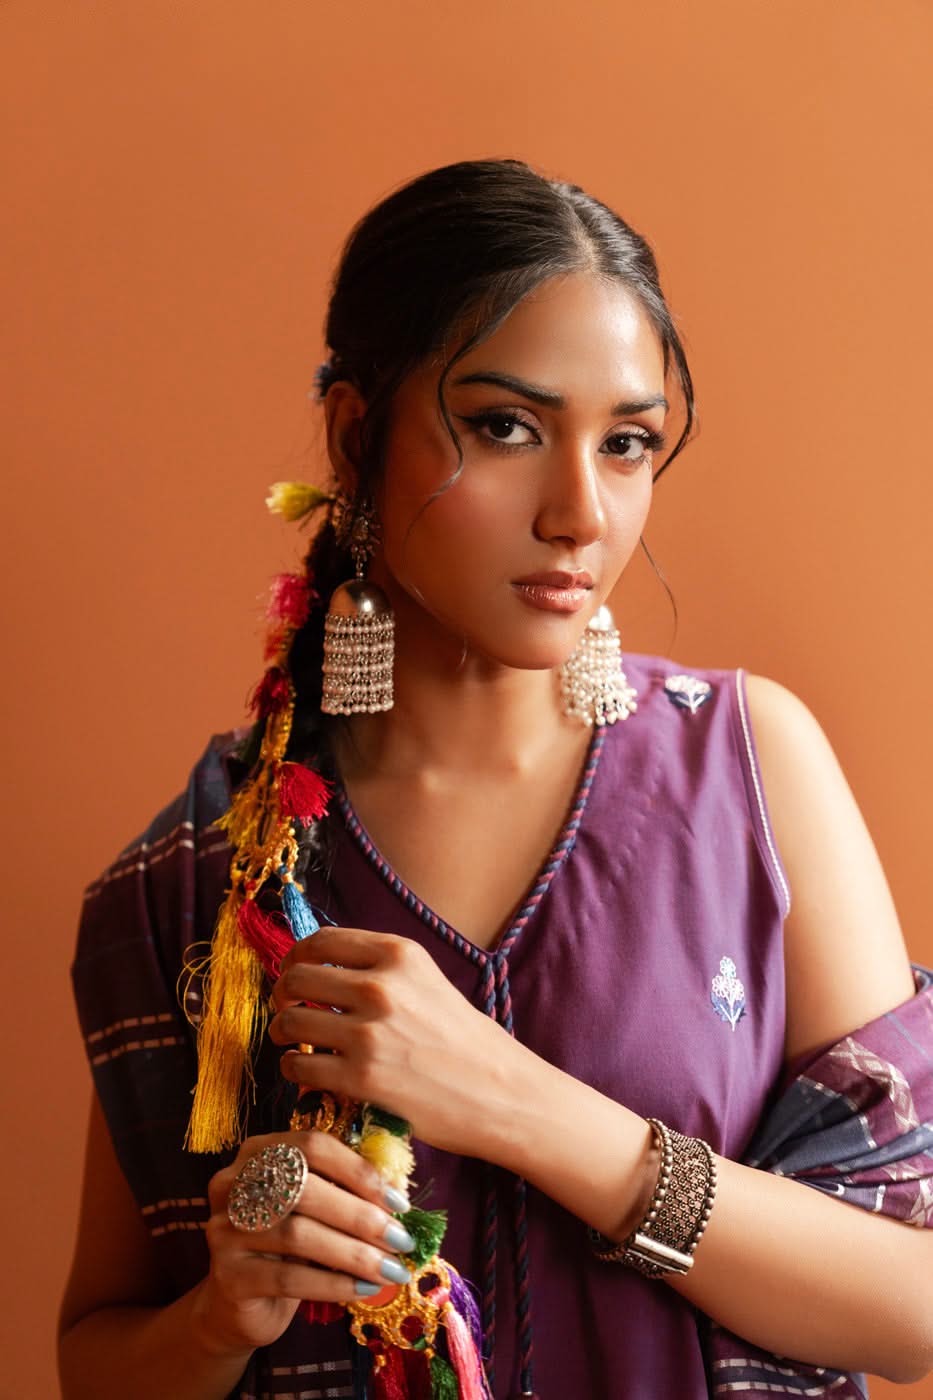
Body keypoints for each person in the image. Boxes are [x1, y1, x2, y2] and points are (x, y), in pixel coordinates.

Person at [58, 159, 933, 1400]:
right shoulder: (200, 870)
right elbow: (94, 1355)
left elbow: (918, 1303)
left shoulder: (752, 769)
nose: (581, 511)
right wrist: (220, 1315)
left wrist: (519, 1103)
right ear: (356, 436)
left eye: (626, 443)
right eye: (507, 427)